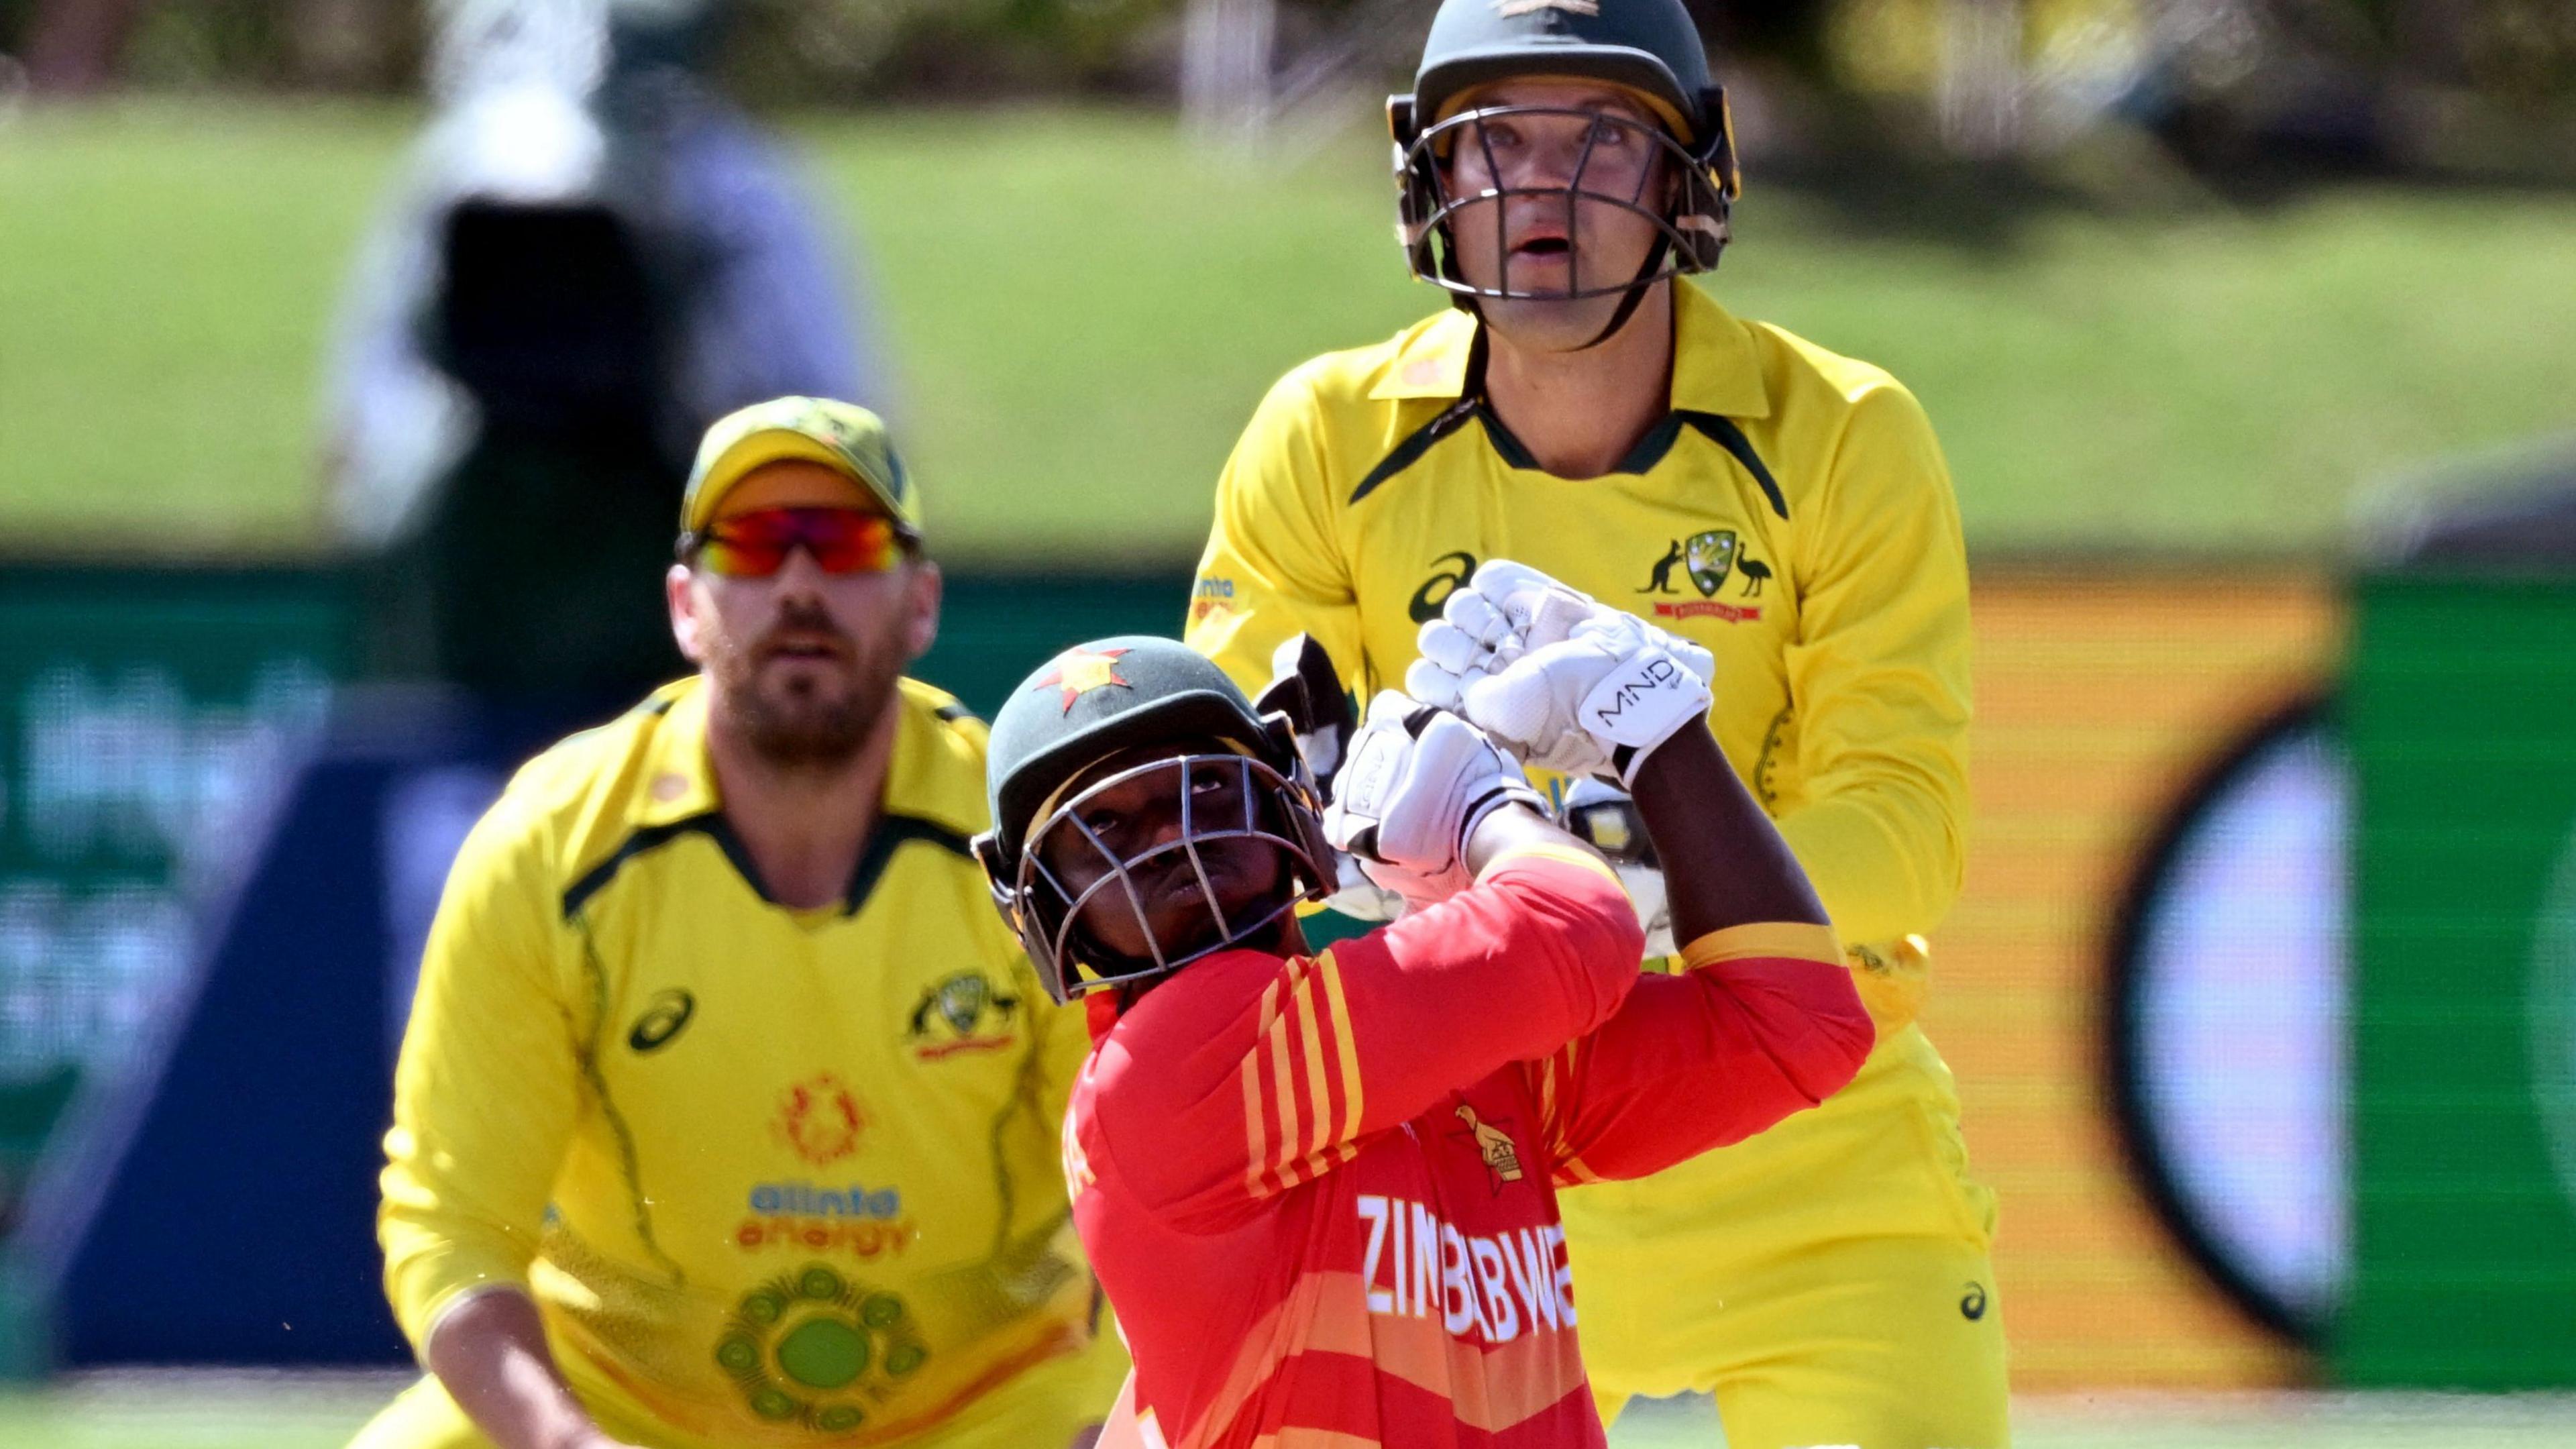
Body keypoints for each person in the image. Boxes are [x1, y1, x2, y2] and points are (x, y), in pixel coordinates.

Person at [1181, 1, 1998, 1444]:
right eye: (1495, 139)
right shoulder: (1323, 436)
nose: (1540, 189)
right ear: (1428, 180)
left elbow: (1907, 829)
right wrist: (1353, 837)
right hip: (1477, 1175)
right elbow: (1234, 809)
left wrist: (1620, 893)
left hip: (1816, 1147)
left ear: (1693, 180)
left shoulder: (1845, 434)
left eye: (1603, 139)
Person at [352, 398, 1122, 1449]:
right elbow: (450, 1222)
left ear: (922, 604)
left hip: (990, 1413)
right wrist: (570, 1443)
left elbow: (1154, 1196)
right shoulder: (549, 848)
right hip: (622, 1405)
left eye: (845, 545)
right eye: (754, 547)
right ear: (685, 603)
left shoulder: (1031, 850)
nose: (800, 587)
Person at [971, 612, 1873, 1448]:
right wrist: (1483, 808)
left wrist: (1656, 729)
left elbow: (1796, 1024)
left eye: (1205, 783)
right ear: (1041, 900)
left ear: (1287, 798)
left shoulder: (1423, 1041)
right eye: (1104, 826)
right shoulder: (1157, 1074)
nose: (1171, 836)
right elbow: (1579, 931)